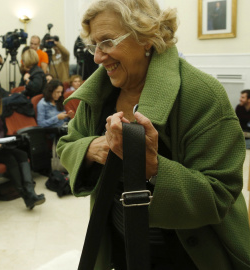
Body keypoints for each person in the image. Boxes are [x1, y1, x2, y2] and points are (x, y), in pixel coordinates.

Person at [56, 0, 250, 269]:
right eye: (94, 45)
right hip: (118, 246)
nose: (97, 57)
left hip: (188, 254)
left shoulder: (203, 95)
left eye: (108, 42)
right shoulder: (100, 92)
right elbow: (67, 145)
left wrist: (154, 168)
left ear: (146, 37)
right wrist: (92, 149)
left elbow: (220, 195)